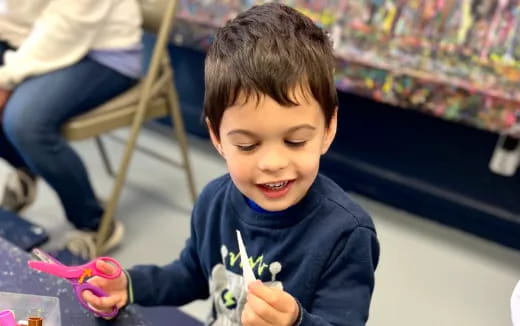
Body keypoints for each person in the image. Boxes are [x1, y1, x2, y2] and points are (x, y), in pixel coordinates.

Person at [83, 3, 380, 325]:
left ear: (328, 129)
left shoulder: (347, 233)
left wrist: (295, 321)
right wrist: (130, 285)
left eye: (295, 141)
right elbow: (193, 273)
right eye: (247, 145)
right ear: (217, 136)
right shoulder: (214, 202)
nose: (273, 163)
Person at [0, 0, 143, 259]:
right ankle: (27, 164)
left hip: (101, 52)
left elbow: (64, 28)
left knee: (25, 124)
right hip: (30, 36)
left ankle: (95, 224)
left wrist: (7, 78)